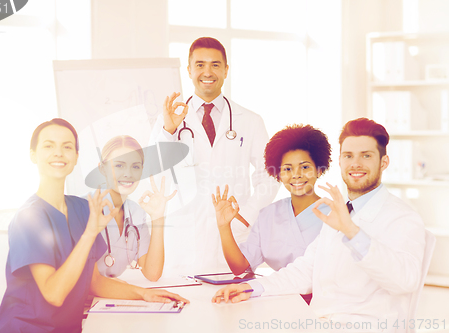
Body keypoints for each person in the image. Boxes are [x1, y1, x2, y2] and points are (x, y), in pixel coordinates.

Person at [212, 118, 426, 331]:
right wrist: (251, 287)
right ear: (340, 162)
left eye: (366, 156)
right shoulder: (340, 214)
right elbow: (305, 271)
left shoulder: (402, 217)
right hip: (317, 322)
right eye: (348, 156)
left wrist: (351, 232)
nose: (356, 163)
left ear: (384, 162)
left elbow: (405, 281)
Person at [0, 119, 188, 333]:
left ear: (76, 157)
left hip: (72, 327)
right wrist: (89, 233)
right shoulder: (29, 218)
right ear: (33, 154)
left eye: (67, 146)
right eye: (49, 145)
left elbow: (95, 282)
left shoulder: (81, 209)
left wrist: (144, 294)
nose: (58, 153)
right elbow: (54, 294)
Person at [149, 37, 279, 272]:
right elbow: (154, 173)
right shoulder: (167, 120)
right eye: (199, 64)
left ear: (226, 70)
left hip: (231, 238)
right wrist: (169, 131)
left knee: (231, 304)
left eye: (215, 65)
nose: (207, 72)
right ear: (189, 70)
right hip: (182, 242)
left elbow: (270, 175)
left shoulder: (249, 121)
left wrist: (246, 216)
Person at [212, 124, 331, 304]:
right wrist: (224, 227)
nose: (296, 175)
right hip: (277, 298)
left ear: (319, 169)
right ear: (278, 174)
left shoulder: (336, 215)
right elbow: (239, 267)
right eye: (287, 169)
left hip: (322, 304)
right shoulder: (268, 215)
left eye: (305, 167)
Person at [96, 135, 175, 281]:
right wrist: (143, 294)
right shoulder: (83, 208)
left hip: (112, 299)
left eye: (135, 167)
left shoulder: (136, 213)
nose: (128, 173)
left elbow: (152, 273)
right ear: (103, 169)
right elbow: (91, 282)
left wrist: (158, 218)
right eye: (119, 165)